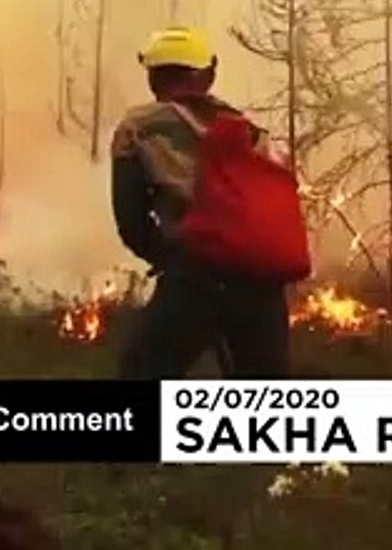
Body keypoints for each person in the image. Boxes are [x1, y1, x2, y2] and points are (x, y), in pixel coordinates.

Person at [110, 27, 291, 379]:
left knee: (142, 371)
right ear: (209, 75)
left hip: (196, 276)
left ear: (151, 77)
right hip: (262, 282)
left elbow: (131, 218)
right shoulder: (246, 128)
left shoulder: (138, 127)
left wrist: (170, 258)